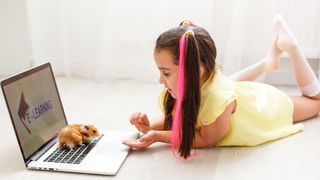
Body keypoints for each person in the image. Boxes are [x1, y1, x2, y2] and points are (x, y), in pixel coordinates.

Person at [122, 15, 320, 159]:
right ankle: (266, 63)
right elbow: (178, 118)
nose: (160, 80)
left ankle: (292, 47)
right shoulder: (199, 82)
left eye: (166, 73)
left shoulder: (217, 98)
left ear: (194, 70)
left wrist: (157, 135)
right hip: (232, 93)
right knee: (225, 87)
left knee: (316, 101)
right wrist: (149, 126)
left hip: (264, 105)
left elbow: (206, 138)